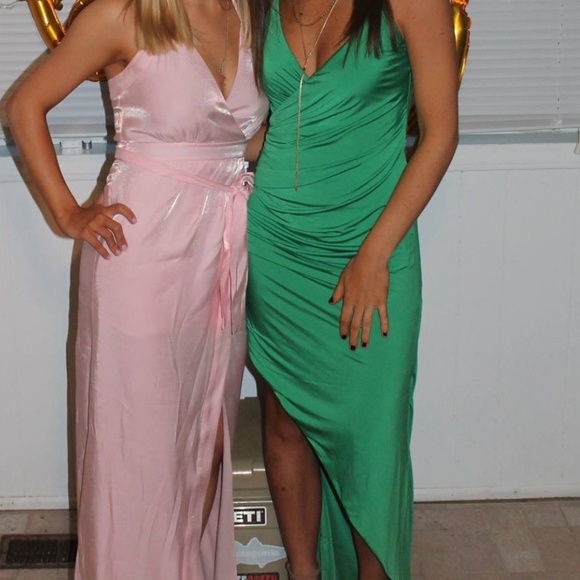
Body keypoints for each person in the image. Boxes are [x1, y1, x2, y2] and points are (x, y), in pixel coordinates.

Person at [6, 0, 268, 576]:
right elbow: (24, 105)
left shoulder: (247, 11)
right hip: (141, 257)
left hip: (222, 254)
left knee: (206, 438)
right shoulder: (120, 13)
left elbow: (241, 140)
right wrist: (68, 214)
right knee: (140, 447)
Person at [246, 0, 458, 578]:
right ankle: (305, 572)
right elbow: (261, 116)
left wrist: (373, 254)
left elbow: (440, 136)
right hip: (276, 247)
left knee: (373, 442)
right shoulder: (262, 4)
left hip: (372, 249)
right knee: (284, 421)